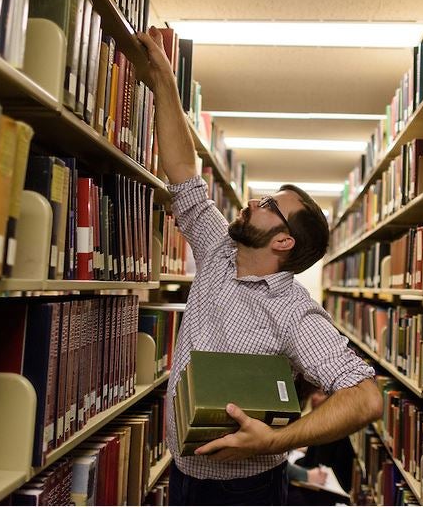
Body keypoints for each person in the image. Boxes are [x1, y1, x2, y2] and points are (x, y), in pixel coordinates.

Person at [134, 26, 383, 506]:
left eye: (268, 203)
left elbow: (366, 396)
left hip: (246, 489)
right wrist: (163, 75)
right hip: (184, 476)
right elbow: (184, 173)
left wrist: (273, 441)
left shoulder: (293, 311)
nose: (251, 201)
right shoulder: (217, 253)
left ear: (284, 240)